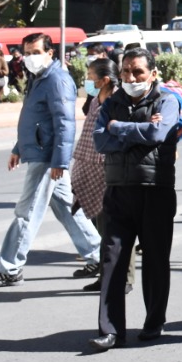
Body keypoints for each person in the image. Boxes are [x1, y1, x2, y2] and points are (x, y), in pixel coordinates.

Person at [0, 33, 101, 286]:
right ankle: (99, 256)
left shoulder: (57, 80)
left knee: (26, 212)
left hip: (48, 157)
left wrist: (59, 162)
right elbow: (35, 119)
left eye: (36, 52)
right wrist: (18, 148)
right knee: (68, 209)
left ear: (50, 53)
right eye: (27, 52)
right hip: (43, 153)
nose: (30, 57)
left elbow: (65, 125)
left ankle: (9, 268)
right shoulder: (39, 78)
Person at [88, 47, 181, 350]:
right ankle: (111, 329)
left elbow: (158, 135)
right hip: (117, 190)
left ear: (153, 74)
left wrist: (120, 129)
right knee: (112, 260)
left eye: (137, 71)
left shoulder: (166, 100)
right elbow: (101, 141)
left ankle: (153, 323)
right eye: (126, 71)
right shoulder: (111, 102)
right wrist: (137, 129)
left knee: (155, 260)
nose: (131, 77)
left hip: (155, 189)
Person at [72, 58, 135, 295]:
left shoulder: (118, 102)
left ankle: (125, 279)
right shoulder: (95, 100)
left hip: (111, 172)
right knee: (103, 231)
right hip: (91, 171)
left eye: (90, 76)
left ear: (105, 79)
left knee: (118, 229)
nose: (88, 80)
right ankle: (105, 276)